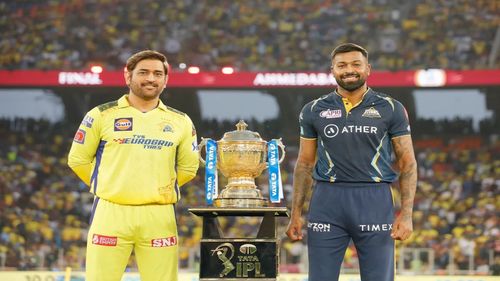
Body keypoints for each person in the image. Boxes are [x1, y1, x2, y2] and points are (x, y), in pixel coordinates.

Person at [286, 43, 417, 281]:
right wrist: (295, 212)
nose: (349, 70)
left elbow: (407, 163)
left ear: (368, 69)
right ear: (332, 70)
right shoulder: (313, 109)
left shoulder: (391, 108)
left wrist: (406, 215)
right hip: (327, 200)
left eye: (356, 64)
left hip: (374, 199)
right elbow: (304, 164)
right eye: (342, 65)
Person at [68, 50, 199, 281]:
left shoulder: (181, 121)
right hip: (111, 210)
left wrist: (156, 187)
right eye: (144, 72)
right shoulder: (101, 115)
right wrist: (111, 184)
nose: (151, 78)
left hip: (158, 214)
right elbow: (77, 160)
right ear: (128, 77)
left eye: (158, 74)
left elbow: (189, 168)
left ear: (165, 81)